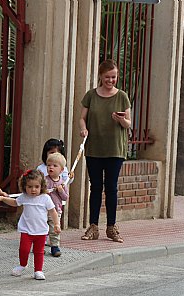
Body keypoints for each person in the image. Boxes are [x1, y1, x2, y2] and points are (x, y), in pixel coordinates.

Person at [79, 59, 131, 243]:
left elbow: (128, 124)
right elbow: (82, 118)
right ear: (101, 76)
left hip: (115, 149)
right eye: (107, 77)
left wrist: (120, 120)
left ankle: (111, 227)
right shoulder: (91, 95)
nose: (110, 80)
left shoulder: (122, 96)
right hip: (94, 147)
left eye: (114, 77)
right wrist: (83, 129)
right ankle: (93, 227)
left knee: (111, 188)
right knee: (95, 187)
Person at [0, 170, 61, 280]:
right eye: (30, 187)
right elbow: (15, 202)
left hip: (41, 230)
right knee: (24, 249)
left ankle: (38, 270)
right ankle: (22, 265)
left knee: (39, 252)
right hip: (26, 229)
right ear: (24, 186)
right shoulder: (24, 197)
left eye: (36, 186)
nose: (33, 190)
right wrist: (3, 199)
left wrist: (56, 224)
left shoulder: (45, 198)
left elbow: (53, 211)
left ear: (42, 186)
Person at [44, 152, 69, 257]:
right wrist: (44, 191)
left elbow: (65, 197)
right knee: (42, 228)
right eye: (49, 165)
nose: (51, 168)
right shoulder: (44, 180)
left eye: (54, 166)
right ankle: (40, 245)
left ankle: (55, 246)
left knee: (54, 228)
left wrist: (60, 191)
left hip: (56, 210)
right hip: (43, 209)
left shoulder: (62, 183)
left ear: (61, 170)